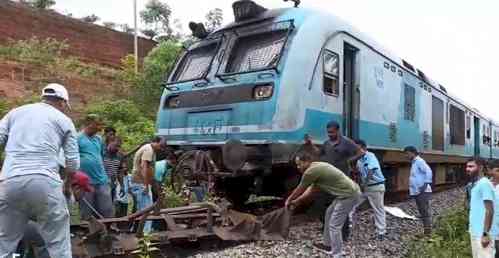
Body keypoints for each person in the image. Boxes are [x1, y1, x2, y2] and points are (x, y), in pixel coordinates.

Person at [0, 83, 80, 258]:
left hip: (9, 181)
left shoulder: (15, 113)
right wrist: (66, 185)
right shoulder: (63, 120)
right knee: (58, 244)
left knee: (4, 243)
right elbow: (72, 162)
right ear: (62, 102)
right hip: (45, 182)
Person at [285, 151, 361, 257]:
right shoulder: (317, 168)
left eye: (299, 163)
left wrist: (288, 200)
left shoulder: (311, 171)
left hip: (349, 195)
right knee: (329, 213)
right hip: (345, 195)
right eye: (297, 164)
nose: (298, 167)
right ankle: (328, 245)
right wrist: (297, 202)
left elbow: (300, 188)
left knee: (335, 225)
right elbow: (311, 190)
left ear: (307, 161)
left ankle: (337, 253)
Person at [305, 121, 361, 240]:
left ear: (338, 130)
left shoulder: (346, 142)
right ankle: (326, 229)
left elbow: (361, 152)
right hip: (328, 179)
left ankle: (344, 234)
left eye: (332, 132)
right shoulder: (326, 143)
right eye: (328, 132)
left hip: (341, 180)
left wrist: (349, 161)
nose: (330, 134)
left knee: (341, 207)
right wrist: (310, 144)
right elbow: (319, 154)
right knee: (326, 204)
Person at [78, 114, 113, 220]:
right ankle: (88, 234)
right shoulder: (77, 138)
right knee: (87, 212)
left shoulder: (98, 139)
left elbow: (100, 157)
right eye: (97, 125)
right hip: (85, 182)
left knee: (106, 210)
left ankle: (108, 233)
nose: (100, 128)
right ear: (89, 124)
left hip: (101, 180)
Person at [350, 139, 386, 240]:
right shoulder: (359, 160)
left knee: (378, 209)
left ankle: (381, 232)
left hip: (375, 186)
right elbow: (358, 173)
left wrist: (364, 184)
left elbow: (371, 170)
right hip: (365, 188)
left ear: (364, 148)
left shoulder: (370, 156)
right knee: (351, 204)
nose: (355, 150)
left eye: (357, 148)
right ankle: (347, 226)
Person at [130, 136, 167, 233]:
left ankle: (136, 230)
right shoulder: (149, 150)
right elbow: (144, 167)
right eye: (161, 145)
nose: (161, 148)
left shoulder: (150, 150)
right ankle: (145, 234)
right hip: (140, 182)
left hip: (140, 182)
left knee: (141, 209)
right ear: (155, 142)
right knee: (146, 209)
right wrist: (146, 185)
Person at [467, 157, 497, 258]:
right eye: (467, 166)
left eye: (471, 166)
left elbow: (490, 210)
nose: (467, 169)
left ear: (480, 168)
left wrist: (485, 234)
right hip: (475, 232)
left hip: (482, 234)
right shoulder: (477, 184)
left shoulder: (484, 184)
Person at [404, 146, 433, 236]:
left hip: (422, 192)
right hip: (419, 192)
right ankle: (426, 232)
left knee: (424, 212)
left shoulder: (419, 161)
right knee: (422, 212)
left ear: (413, 153)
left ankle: (428, 233)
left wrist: (425, 185)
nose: (406, 156)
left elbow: (428, 171)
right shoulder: (414, 162)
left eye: (407, 153)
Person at [104, 137, 125, 203]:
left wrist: (122, 186)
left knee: (109, 206)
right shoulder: (102, 153)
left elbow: (120, 172)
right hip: (101, 186)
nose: (117, 148)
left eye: (119, 147)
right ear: (110, 143)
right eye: (116, 146)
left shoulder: (119, 156)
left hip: (112, 186)